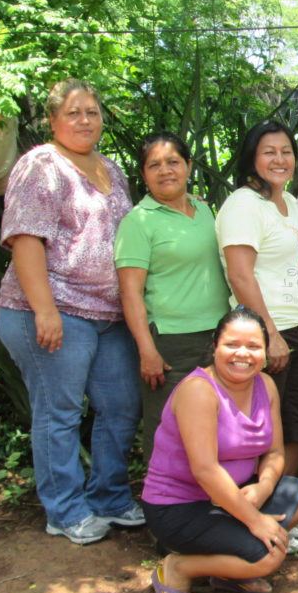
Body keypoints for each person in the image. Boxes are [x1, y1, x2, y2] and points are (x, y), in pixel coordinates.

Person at [0, 78, 143, 545]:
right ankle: (64, 510)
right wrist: (45, 311)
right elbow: (24, 238)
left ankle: (109, 497)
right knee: (58, 412)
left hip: (109, 314)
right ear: (53, 120)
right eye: (74, 112)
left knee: (121, 406)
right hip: (52, 309)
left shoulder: (112, 170)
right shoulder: (41, 165)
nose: (84, 120)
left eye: (92, 112)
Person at [141, 308, 298, 593]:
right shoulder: (199, 390)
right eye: (232, 344)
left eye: (253, 347)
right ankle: (178, 567)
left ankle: (227, 572)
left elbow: (274, 453)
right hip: (180, 505)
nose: (242, 354)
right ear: (215, 346)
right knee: (268, 557)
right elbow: (206, 471)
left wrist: (263, 488)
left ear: (265, 351)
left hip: (235, 496)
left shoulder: (266, 385)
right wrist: (255, 521)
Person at [217, 121, 298, 544]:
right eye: (269, 152)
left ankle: (275, 512)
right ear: (251, 158)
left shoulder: (291, 204)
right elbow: (240, 275)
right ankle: (244, 518)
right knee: (260, 433)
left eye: (286, 151)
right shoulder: (243, 204)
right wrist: (270, 334)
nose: (279, 159)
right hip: (268, 333)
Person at [115, 133, 230, 461]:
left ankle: (210, 502)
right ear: (143, 173)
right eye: (154, 165)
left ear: (189, 166)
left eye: (173, 162)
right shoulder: (138, 221)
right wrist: (146, 349)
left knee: (216, 422)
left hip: (218, 337)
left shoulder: (205, 211)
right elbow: (130, 292)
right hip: (170, 342)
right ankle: (162, 503)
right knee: (168, 424)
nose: (165, 171)